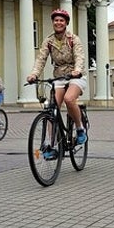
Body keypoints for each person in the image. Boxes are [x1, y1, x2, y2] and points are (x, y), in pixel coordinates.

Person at [26, 9, 87, 158]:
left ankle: (79, 129)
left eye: (61, 20)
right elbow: (41, 59)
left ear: (66, 23)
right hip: (59, 76)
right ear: (53, 22)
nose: (58, 23)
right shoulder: (48, 41)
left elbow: (80, 57)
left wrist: (77, 70)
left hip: (75, 75)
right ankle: (51, 145)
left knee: (69, 99)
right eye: (56, 20)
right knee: (52, 109)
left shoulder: (73, 39)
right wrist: (34, 74)